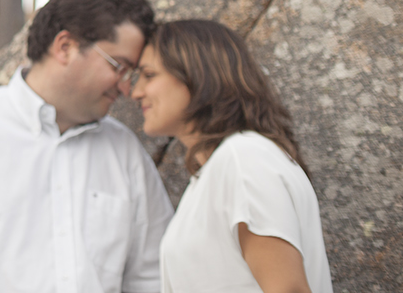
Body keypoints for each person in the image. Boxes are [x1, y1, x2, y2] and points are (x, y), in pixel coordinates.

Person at [0, 0, 172, 293]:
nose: (127, 88)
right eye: (119, 67)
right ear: (65, 47)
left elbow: (152, 276)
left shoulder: (125, 152)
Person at [132, 19, 331, 293]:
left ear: (197, 75)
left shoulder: (243, 159)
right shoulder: (213, 174)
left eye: (149, 75)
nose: (135, 92)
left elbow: (288, 289)